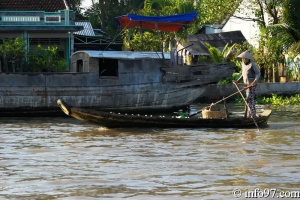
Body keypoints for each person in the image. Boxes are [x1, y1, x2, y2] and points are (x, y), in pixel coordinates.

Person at [234, 50, 261, 118]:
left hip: (251, 85)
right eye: (242, 58)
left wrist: (255, 81)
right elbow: (243, 74)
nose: (242, 59)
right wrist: (238, 80)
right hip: (246, 85)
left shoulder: (252, 64)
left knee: (250, 99)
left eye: (244, 58)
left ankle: (252, 115)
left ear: (247, 59)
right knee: (249, 100)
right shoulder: (243, 65)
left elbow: (258, 73)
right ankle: (251, 114)